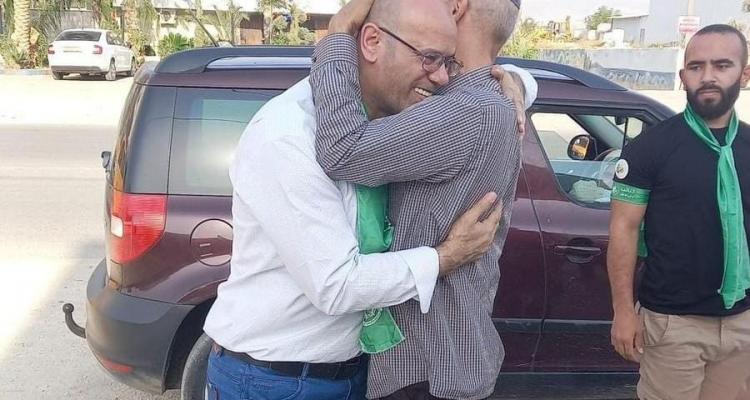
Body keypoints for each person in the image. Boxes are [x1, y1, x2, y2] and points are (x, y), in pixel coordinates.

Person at [200, 0, 533, 398]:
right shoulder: (288, 134)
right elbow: (336, 285)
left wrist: (515, 81)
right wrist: (444, 257)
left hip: (357, 370)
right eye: (430, 58)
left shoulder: (396, 113)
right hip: (275, 379)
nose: (443, 77)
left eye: (449, 62)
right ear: (372, 42)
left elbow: (475, 98)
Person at [310, 0, 530, 398]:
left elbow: (343, 149)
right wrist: (518, 79)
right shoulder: (486, 100)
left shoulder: (468, 111)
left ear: (457, 7)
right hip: (438, 361)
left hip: (424, 366)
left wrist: (338, 35)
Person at [608, 24, 750, 400]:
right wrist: (623, 311)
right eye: (696, 67)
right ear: (683, 76)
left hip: (743, 324)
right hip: (673, 325)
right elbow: (623, 229)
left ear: (744, 74)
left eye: (722, 65)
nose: (708, 76)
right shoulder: (650, 148)